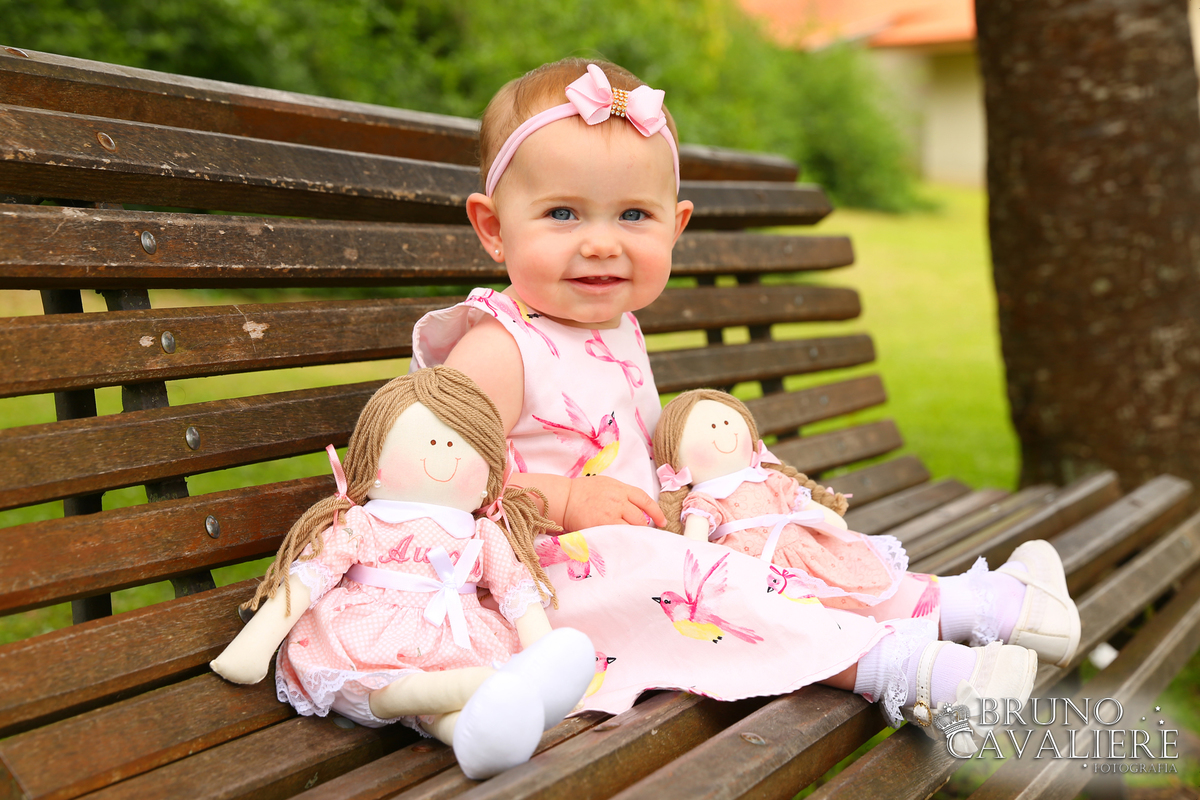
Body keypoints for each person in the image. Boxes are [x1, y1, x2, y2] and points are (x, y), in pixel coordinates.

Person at [410, 58, 1079, 752]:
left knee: (772, 543)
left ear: (676, 225)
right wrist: (561, 496)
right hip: (551, 578)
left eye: (633, 214)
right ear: (492, 227)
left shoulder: (614, 324)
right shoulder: (497, 347)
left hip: (649, 542)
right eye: (562, 213)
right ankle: (913, 671)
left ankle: (988, 606)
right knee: (715, 584)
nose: (602, 241)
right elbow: (434, 481)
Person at [210, 367, 595, 779]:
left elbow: (516, 592)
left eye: (459, 443)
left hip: (457, 636)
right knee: (413, 691)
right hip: (367, 636)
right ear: (370, 459)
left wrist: (542, 654)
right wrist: (253, 647)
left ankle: (480, 733)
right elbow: (310, 576)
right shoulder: (361, 523)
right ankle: (493, 688)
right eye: (430, 440)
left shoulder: (483, 532)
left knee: (447, 709)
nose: (443, 450)